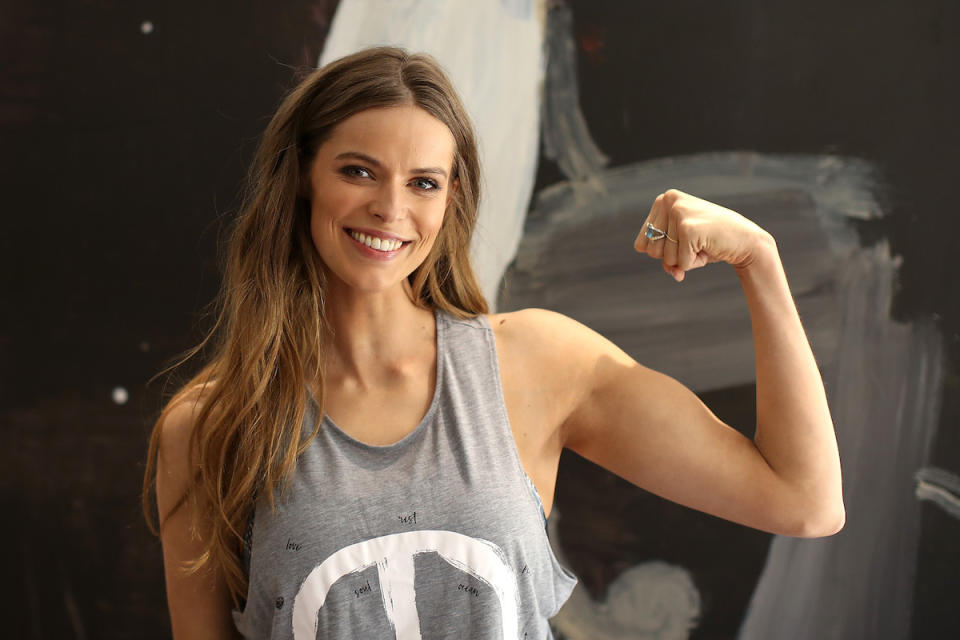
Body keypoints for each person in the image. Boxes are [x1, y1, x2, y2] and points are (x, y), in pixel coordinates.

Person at [143, 46, 844, 639]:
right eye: (358, 170)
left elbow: (803, 500)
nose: (391, 208)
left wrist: (760, 260)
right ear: (301, 179)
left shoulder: (536, 363)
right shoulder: (209, 429)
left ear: (450, 201)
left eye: (423, 182)